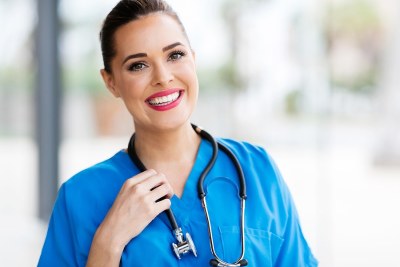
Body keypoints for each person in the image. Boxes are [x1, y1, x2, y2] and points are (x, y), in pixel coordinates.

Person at [38, 0, 318, 266]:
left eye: (175, 55)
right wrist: (108, 243)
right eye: (138, 65)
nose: (162, 76)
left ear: (193, 60)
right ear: (111, 82)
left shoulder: (257, 171)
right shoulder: (80, 197)